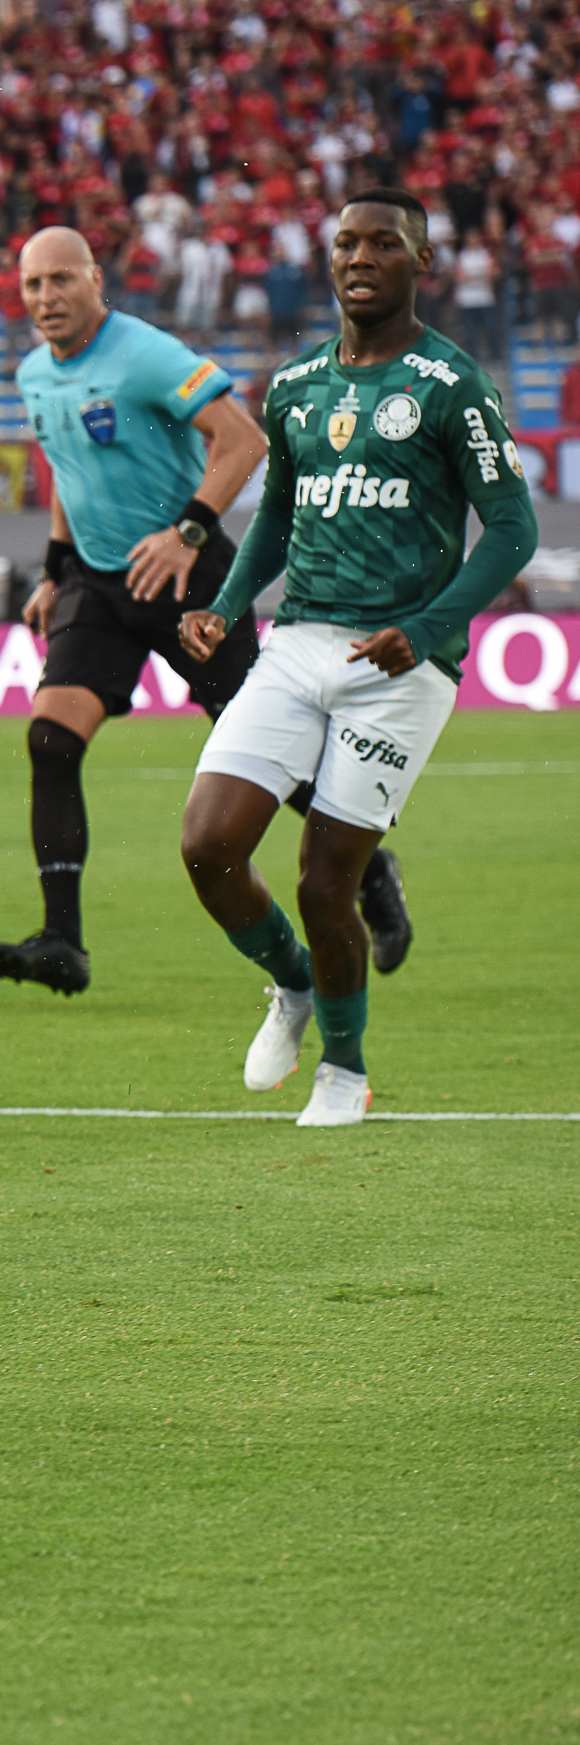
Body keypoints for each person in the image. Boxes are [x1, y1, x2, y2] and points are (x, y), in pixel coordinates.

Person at [175, 190, 536, 1128]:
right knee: (207, 846)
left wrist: (426, 627)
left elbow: (511, 529)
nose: (360, 256)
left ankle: (344, 1066)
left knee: (324, 879)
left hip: (400, 670)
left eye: (383, 242)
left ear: (420, 261)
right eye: (345, 243)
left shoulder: (452, 385)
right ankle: (292, 984)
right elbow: (277, 521)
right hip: (298, 642)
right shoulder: (295, 386)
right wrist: (222, 606)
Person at [0, 225, 273, 998]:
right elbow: (66, 471)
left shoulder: (145, 354)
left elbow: (245, 442)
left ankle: (372, 871)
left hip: (187, 572)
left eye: (60, 281)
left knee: (265, 755)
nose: (45, 298)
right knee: (50, 737)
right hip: (97, 581)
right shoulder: (34, 375)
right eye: (33, 284)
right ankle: (61, 942)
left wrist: (186, 534)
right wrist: (51, 572)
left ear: (95, 281)